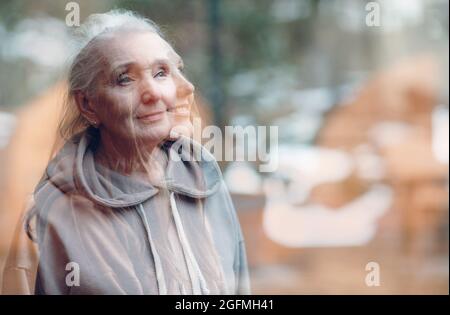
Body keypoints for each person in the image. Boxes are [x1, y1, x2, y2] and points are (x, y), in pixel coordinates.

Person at [2, 9, 250, 295]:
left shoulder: (202, 176)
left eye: (161, 73)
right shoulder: (58, 209)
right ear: (88, 105)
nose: (153, 93)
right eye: (125, 79)